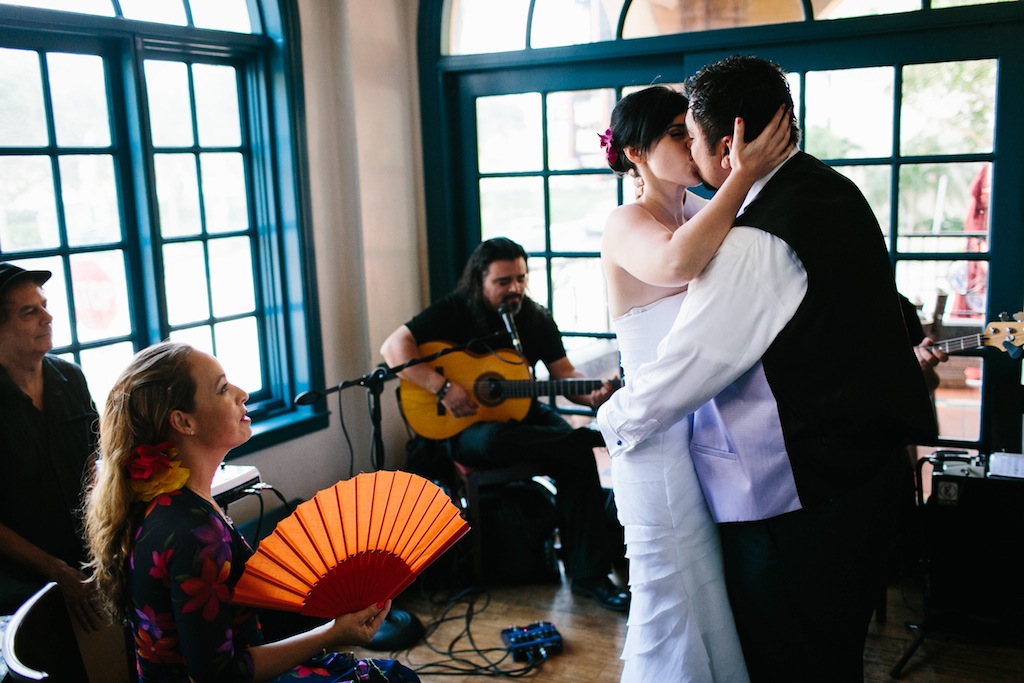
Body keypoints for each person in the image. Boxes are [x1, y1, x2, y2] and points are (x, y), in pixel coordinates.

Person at [597, 56, 937, 681]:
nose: (689, 150)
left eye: (690, 134)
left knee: (792, 658)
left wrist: (615, 415)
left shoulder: (757, 237)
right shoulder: (832, 191)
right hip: (857, 475)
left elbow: (699, 359)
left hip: (801, 496)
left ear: (726, 144)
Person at [82, 341, 419, 683]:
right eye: (223, 389)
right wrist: (332, 634)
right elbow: (219, 675)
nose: (242, 394)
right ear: (183, 421)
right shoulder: (193, 532)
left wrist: (335, 612)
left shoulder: (173, 502)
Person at [600, 85, 791, 681]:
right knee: (669, 588)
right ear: (635, 152)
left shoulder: (695, 213)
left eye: (693, 132)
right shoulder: (626, 221)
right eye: (676, 134)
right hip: (654, 442)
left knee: (708, 585)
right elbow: (676, 263)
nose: (692, 143)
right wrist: (742, 176)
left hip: (707, 436)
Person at [379, 237, 627, 611]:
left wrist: (593, 397)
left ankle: (590, 577)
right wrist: (443, 387)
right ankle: (587, 440)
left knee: (575, 455)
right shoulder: (455, 310)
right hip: (464, 428)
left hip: (520, 417)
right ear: (480, 280)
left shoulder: (534, 317)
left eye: (521, 279)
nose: (515, 289)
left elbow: (564, 375)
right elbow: (393, 347)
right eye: (503, 282)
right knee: (512, 440)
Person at [0, 262, 103, 631]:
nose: (48, 316)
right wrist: (55, 571)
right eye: (30, 311)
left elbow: (91, 467)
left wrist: (103, 542)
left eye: (44, 305)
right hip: (17, 580)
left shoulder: (71, 378)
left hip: (83, 557)